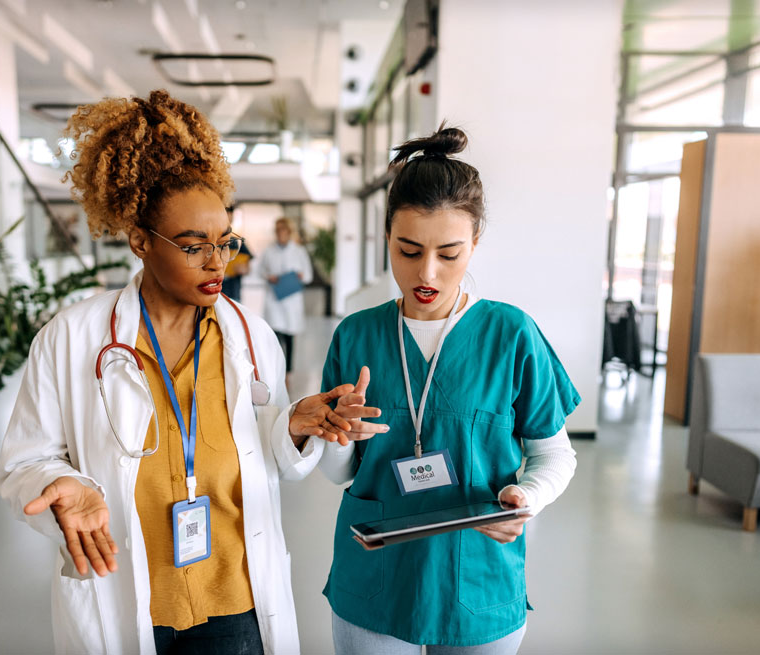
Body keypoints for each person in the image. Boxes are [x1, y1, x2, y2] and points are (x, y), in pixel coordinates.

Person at [0, 90, 382, 655]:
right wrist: (63, 486)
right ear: (140, 243)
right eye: (193, 246)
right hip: (130, 597)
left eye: (225, 243)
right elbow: (28, 460)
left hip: (236, 599)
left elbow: (271, 458)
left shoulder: (251, 336)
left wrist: (294, 427)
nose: (217, 262)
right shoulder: (72, 338)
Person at [314, 125, 580, 654]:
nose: (427, 272)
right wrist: (336, 435)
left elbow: (556, 455)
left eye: (450, 253)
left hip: (476, 577)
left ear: (475, 242)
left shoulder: (510, 334)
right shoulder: (357, 334)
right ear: (386, 235)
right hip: (376, 577)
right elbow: (340, 473)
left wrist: (525, 498)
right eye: (407, 250)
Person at [256, 218, 312, 373]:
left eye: (283, 230)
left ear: (289, 232)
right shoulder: (269, 250)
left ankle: (288, 371)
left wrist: (300, 276)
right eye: (278, 231)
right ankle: (276, 370)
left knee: (289, 337)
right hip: (274, 299)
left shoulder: (299, 251)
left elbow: (308, 276)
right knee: (275, 336)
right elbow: (260, 271)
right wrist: (269, 277)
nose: (280, 234)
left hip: (292, 300)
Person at [221, 205, 252, 303]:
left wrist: (243, 269)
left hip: (233, 293)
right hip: (215, 294)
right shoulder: (211, 241)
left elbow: (247, 268)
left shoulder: (237, 242)